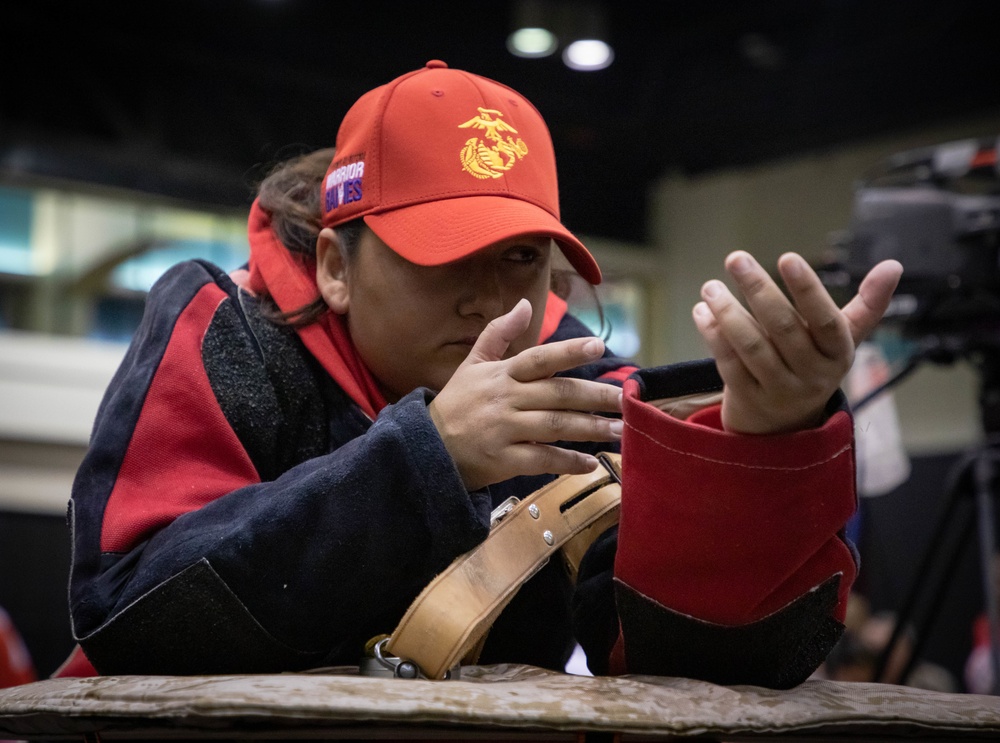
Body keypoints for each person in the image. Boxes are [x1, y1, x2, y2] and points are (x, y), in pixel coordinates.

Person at [60, 60, 902, 687]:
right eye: (446, 255)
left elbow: (684, 667)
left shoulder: (582, 398)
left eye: (522, 257)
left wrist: (760, 447)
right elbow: (129, 611)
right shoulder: (227, 330)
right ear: (334, 267)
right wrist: (430, 455)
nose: (491, 299)